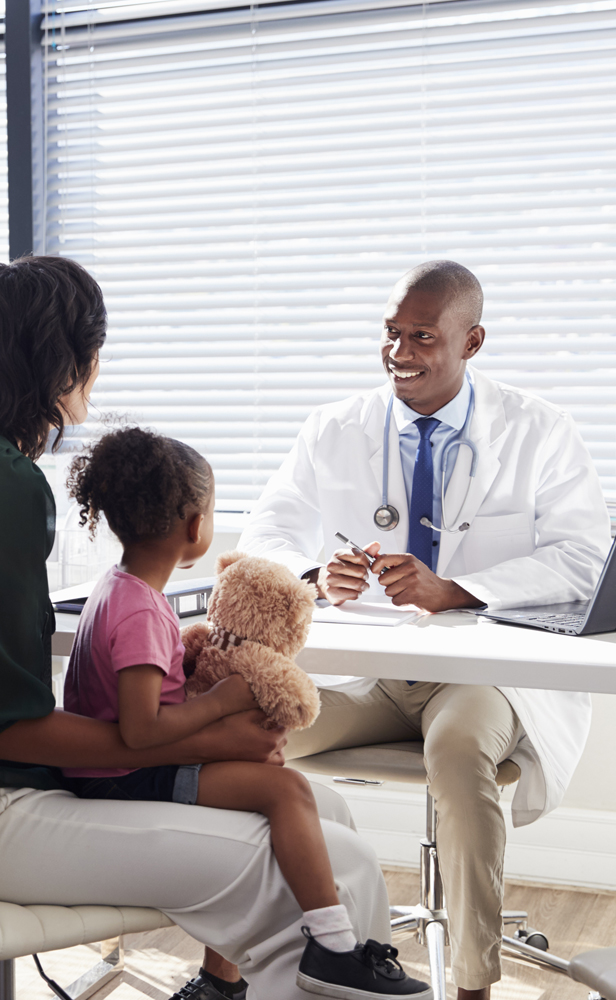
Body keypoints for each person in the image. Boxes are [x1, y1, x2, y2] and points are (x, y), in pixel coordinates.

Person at [0, 256, 392, 1000]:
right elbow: (7, 732)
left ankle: (225, 987)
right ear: (71, 364)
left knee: (327, 810)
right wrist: (215, 733)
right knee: (342, 861)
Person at [238, 260, 611, 1000]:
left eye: (422, 337)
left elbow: (583, 558)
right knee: (250, 734)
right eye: (390, 333)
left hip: (479, 673)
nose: (399, 353)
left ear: (471, 341)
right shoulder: (335, 427)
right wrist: (316, 575)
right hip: (370, 671)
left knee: (457, 751)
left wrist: (459, 589)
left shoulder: (539, 429)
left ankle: (472, 984)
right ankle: (269, 957)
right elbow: (266, 530)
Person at [61, 426, 432, 1000]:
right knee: (287, 793)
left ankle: (226, 979)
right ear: (196, 526)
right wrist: (224, 701)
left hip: (123, 771)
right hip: (123, 781)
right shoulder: (141, 612)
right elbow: (139, 731)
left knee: (284, 789)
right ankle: (333, 948)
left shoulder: (120, 590)